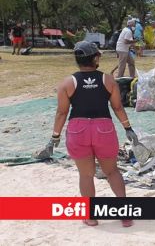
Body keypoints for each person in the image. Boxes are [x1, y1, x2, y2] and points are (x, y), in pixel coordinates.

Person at [50, 41, 138, 227]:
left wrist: (55, 136)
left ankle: (90, 216)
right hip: (103, 128)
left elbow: (61, 112)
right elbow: (117, 107)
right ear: (95, 57)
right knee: (112, 171)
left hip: (78, 130)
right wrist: (127, 128)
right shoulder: (108, 80)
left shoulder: (67, 83)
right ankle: (125, 215)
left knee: (86, 174)